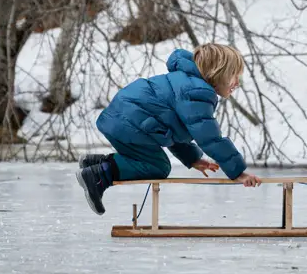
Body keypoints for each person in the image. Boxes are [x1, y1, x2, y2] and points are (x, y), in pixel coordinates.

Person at [76, 44, 262, 215]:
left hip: (123, 120)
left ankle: (97, 163)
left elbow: (170, 128)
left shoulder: (185, 84)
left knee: (150, 161)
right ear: (218, 73)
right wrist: (238, 172)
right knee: (158, 167)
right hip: (131, 124)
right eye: (234, 76)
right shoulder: (197, 92)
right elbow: (210, 138)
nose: (237, 82)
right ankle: (99, 175)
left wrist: (193, 158)